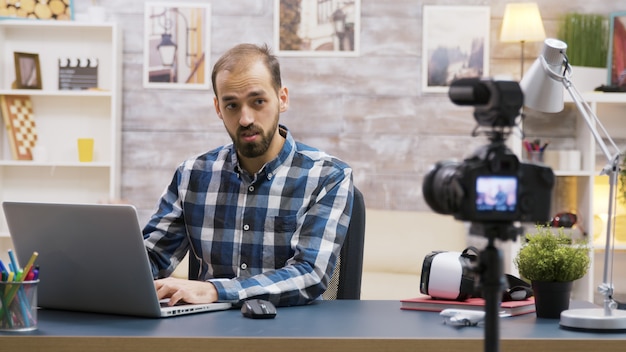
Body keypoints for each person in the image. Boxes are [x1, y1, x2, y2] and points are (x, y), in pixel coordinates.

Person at [143, 43, 354, 308]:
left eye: (258, 101)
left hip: (293, 334)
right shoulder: (191, 175)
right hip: (208, 334)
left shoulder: (328, 176)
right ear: (218, 108)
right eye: (232, 105)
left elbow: (310, 274)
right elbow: (151, 257)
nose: (245, 118)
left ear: (282, 99)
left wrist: (215, 291)